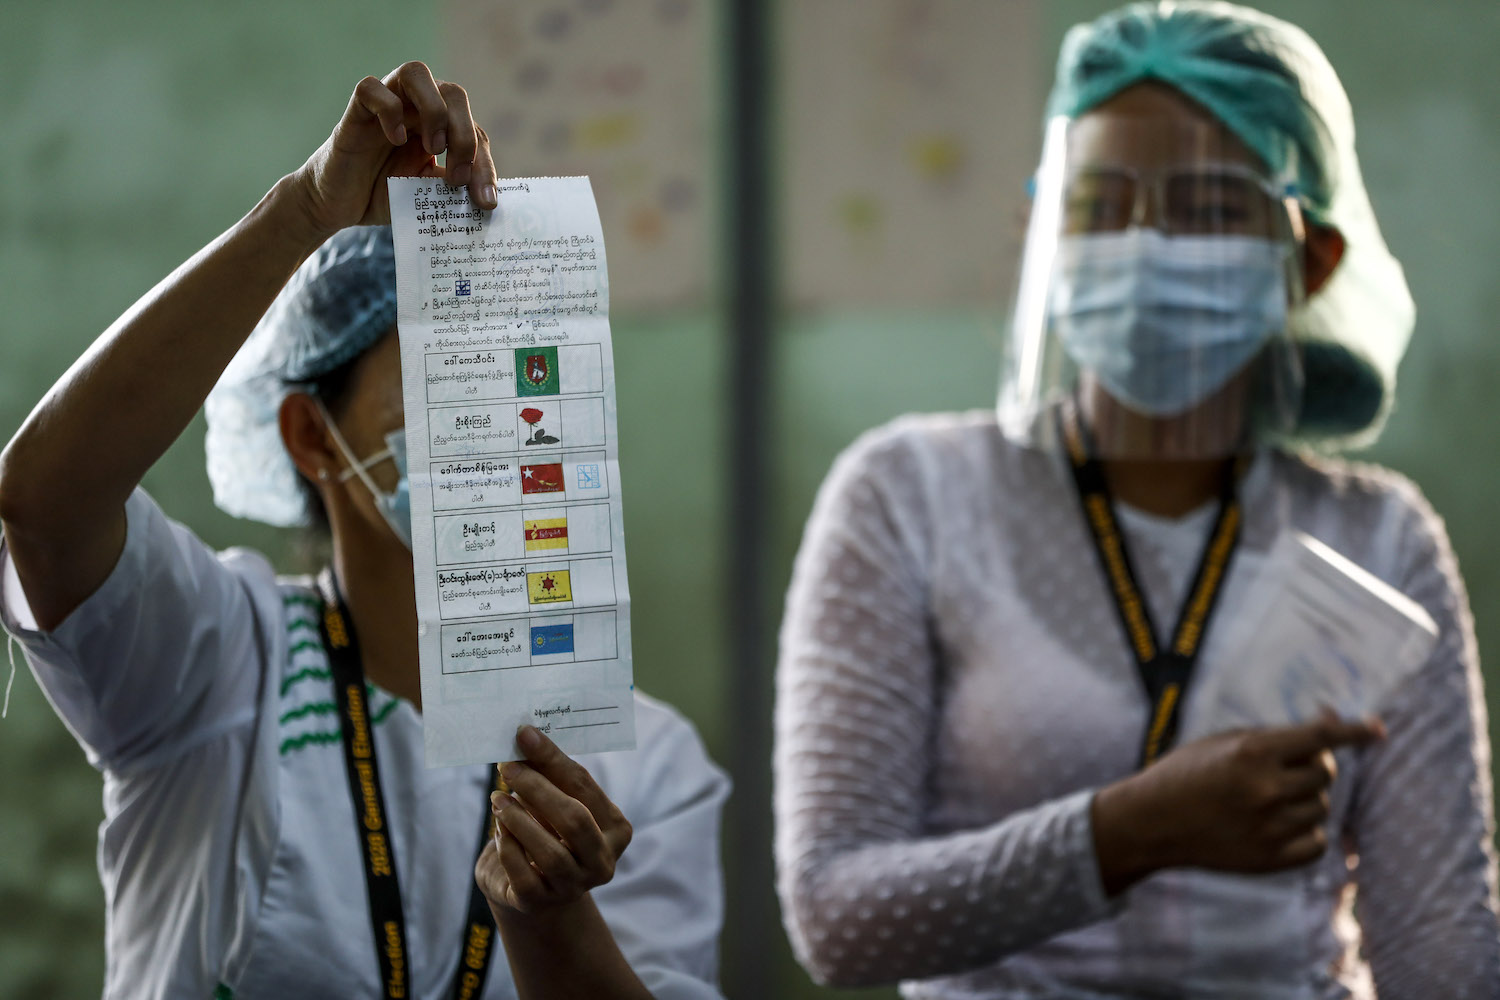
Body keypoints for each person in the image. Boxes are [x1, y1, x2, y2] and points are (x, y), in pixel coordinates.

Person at [774, 3, 1500, 997]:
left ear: (1310, 260)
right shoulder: (910, 497)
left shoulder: (1378, 537)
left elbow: (1444, 956)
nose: (1144, 241)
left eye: (1207, 206)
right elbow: (835, 916)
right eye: (1099, 201)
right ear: (1041, 229)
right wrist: (1135, 830)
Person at [0, 62, 727, 1000]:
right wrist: (305, 210)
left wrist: (549, 919)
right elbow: (43, 500)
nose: (503, 417)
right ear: (313, 436)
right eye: (446, 372)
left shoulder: (643, 760)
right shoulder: (219, 656)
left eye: (520, 375)